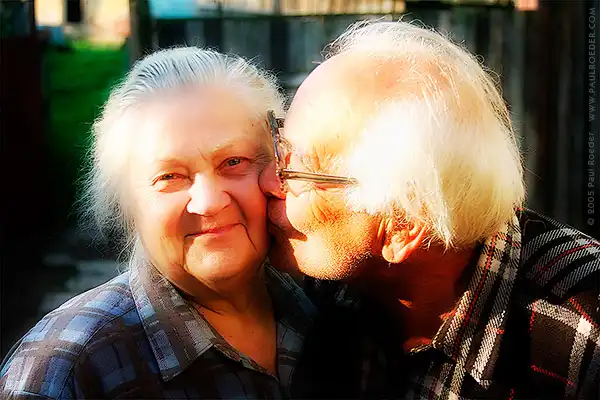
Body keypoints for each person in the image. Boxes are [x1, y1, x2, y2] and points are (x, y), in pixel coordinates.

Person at [260, 21, 600, 399]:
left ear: (402, 225)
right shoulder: (304, 286)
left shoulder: (584, 334)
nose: (268, 181)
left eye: (297, 168)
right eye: (279, 145)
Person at [0, 47, 319, 399]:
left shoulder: (329, 308)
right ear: (127, 204)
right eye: (169, 176)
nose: (209, 202)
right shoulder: (67, 372)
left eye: (233, 162)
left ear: (279, 168)